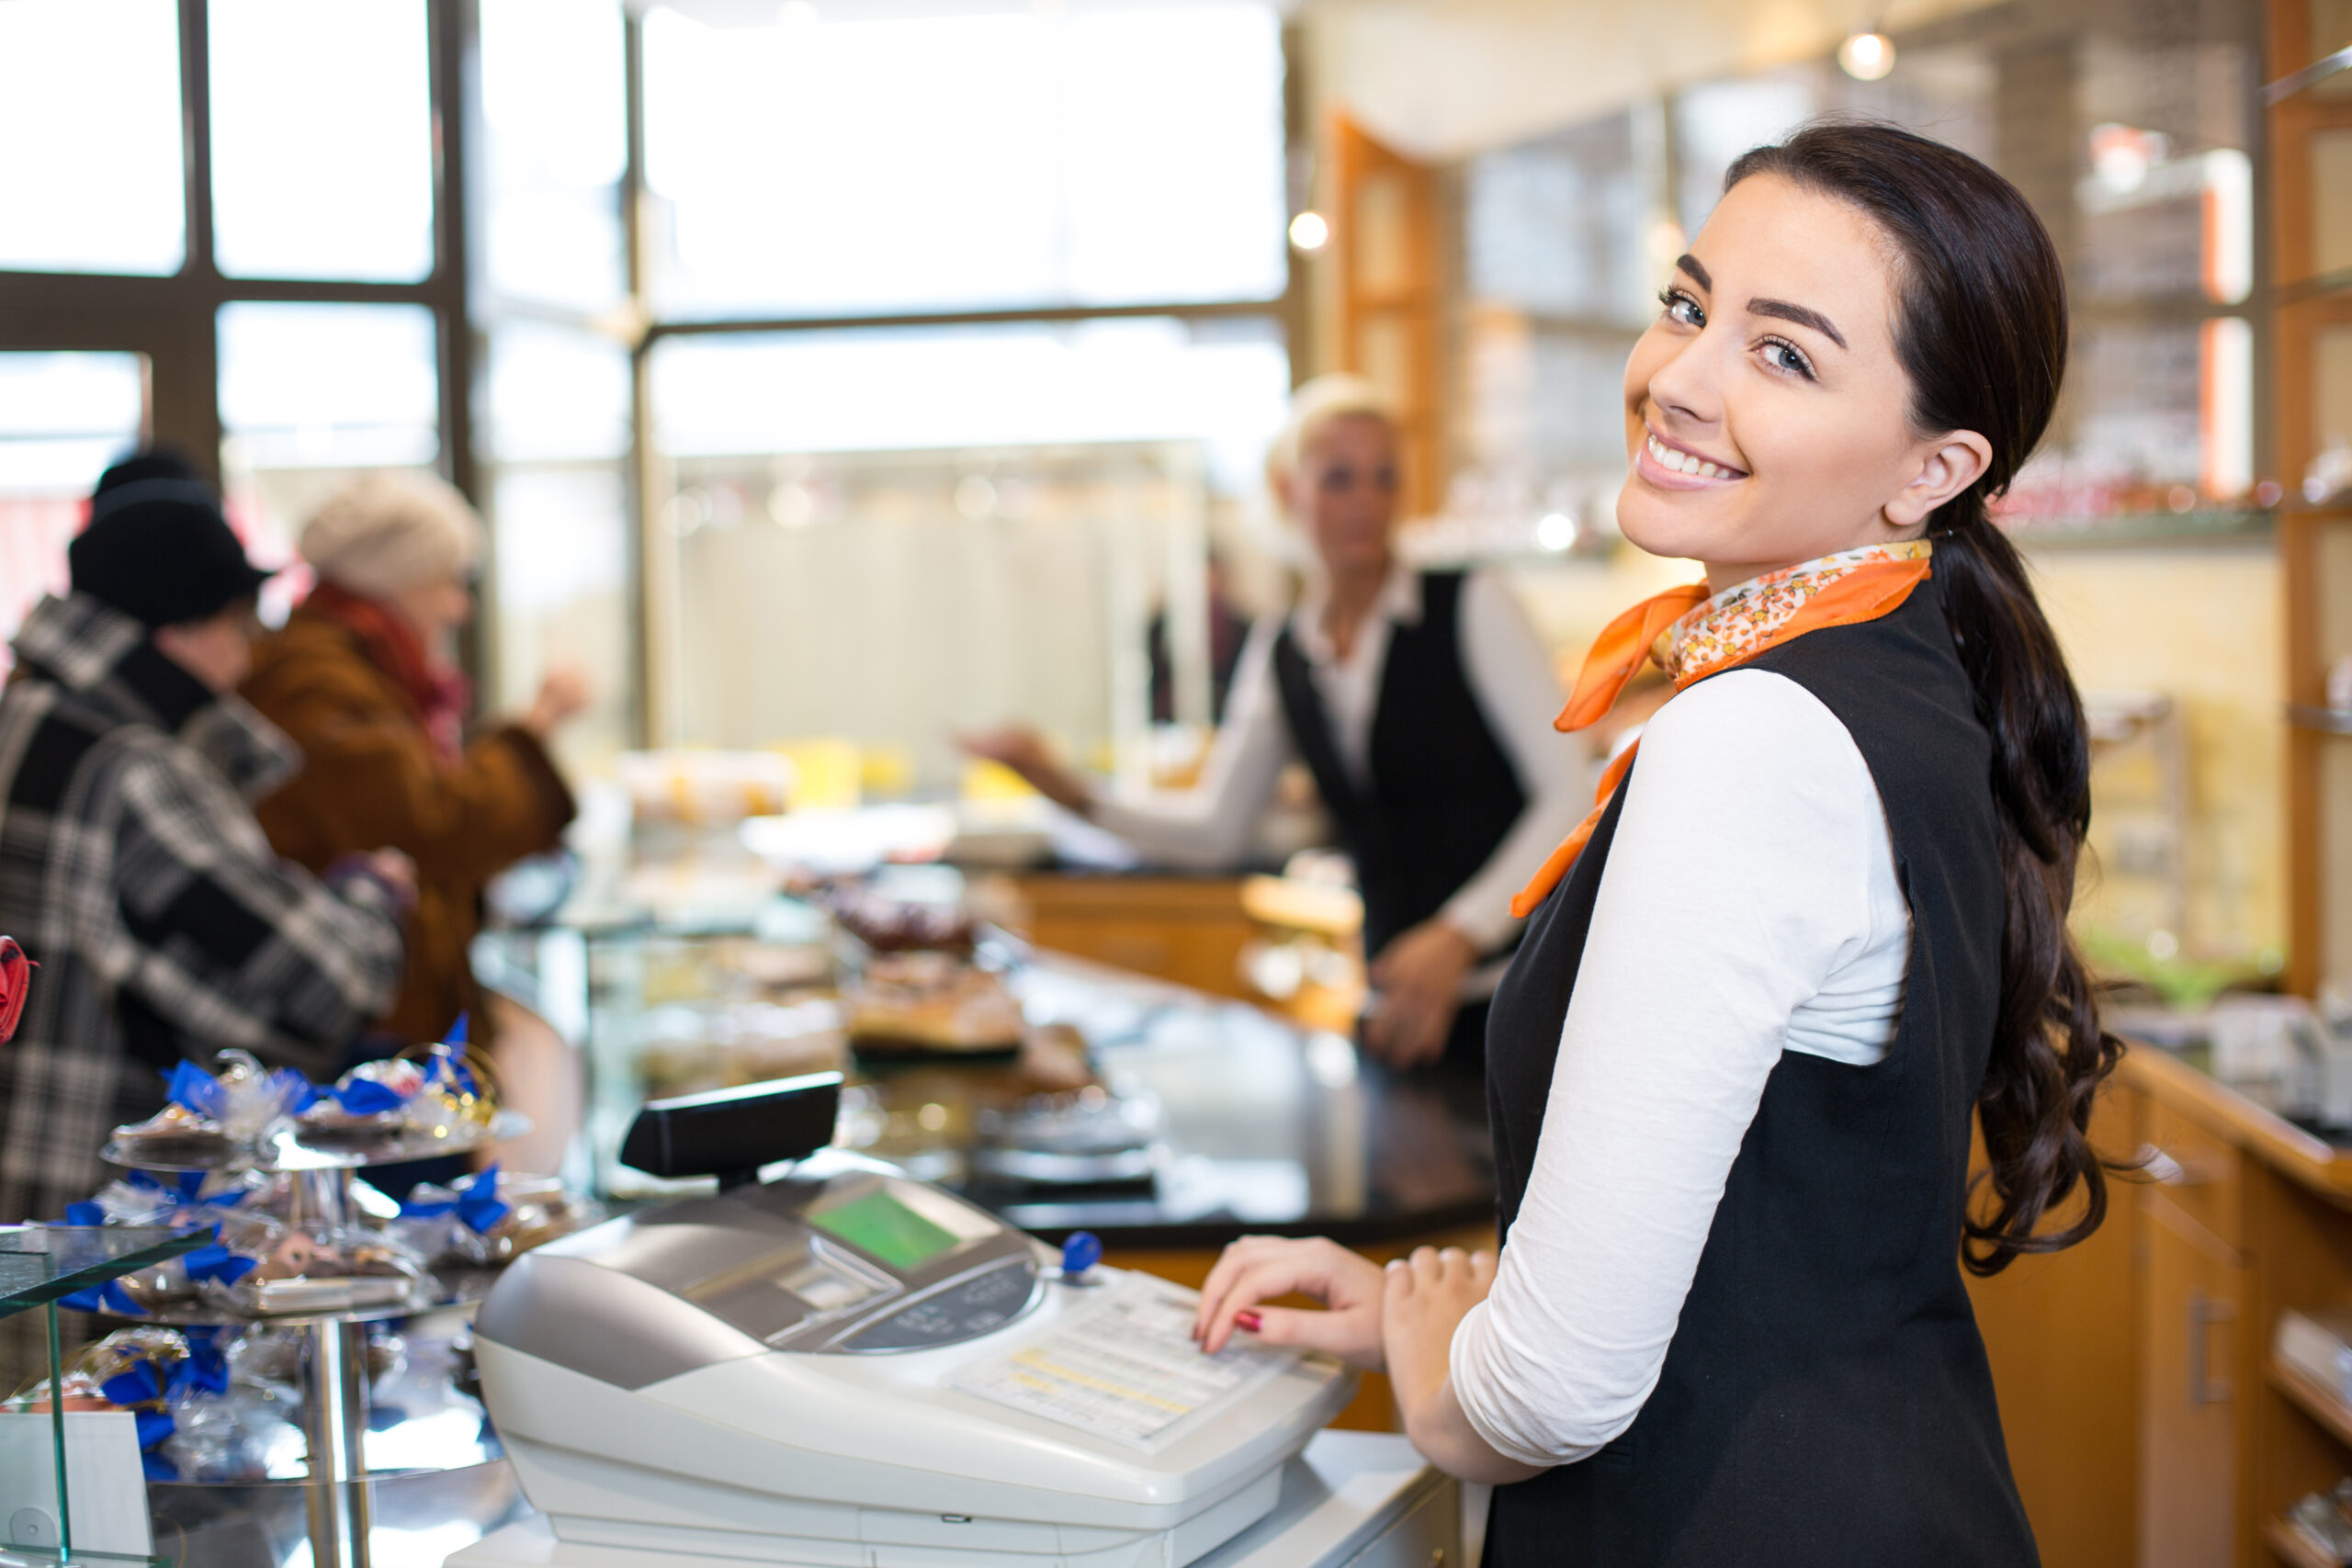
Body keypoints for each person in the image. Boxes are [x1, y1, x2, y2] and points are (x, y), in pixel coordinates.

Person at [1190, 122, 2119, 1563]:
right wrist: (1414, 1312)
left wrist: (1453, 1383)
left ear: (1933, 465)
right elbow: (1761, 1213)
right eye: (1690, 306)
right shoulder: (1888, 669)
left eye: (1785, 353)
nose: (1676, 378)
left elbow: (1547, 1397)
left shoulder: (1753, 735)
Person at [963, 377, 1588, 1070]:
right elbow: (1215, 830)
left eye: (1384, 479)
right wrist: (1069, 791)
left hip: (1523, 989)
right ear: (1289, 490)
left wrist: (1459, 933)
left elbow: (1569, 791)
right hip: (1395, 1003)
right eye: (1340, 479)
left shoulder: (1472, 603)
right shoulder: (1284, 649)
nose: (1366, 503)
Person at [0, 471, 412, 1227]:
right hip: (98, 1214)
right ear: (181, 628)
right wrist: (370, 894)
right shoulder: (132, 766)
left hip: (22, 1183)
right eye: (238, 620)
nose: (248, 654)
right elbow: (332, 977)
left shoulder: (24, 717)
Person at [240, 470, 585, 1172]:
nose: (459, 607)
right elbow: (433, 824)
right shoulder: (317, 679)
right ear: (396, 578)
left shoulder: (353, 670)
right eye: (448, 579)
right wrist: (535, 727)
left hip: (379, 1017)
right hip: (358, 1036)